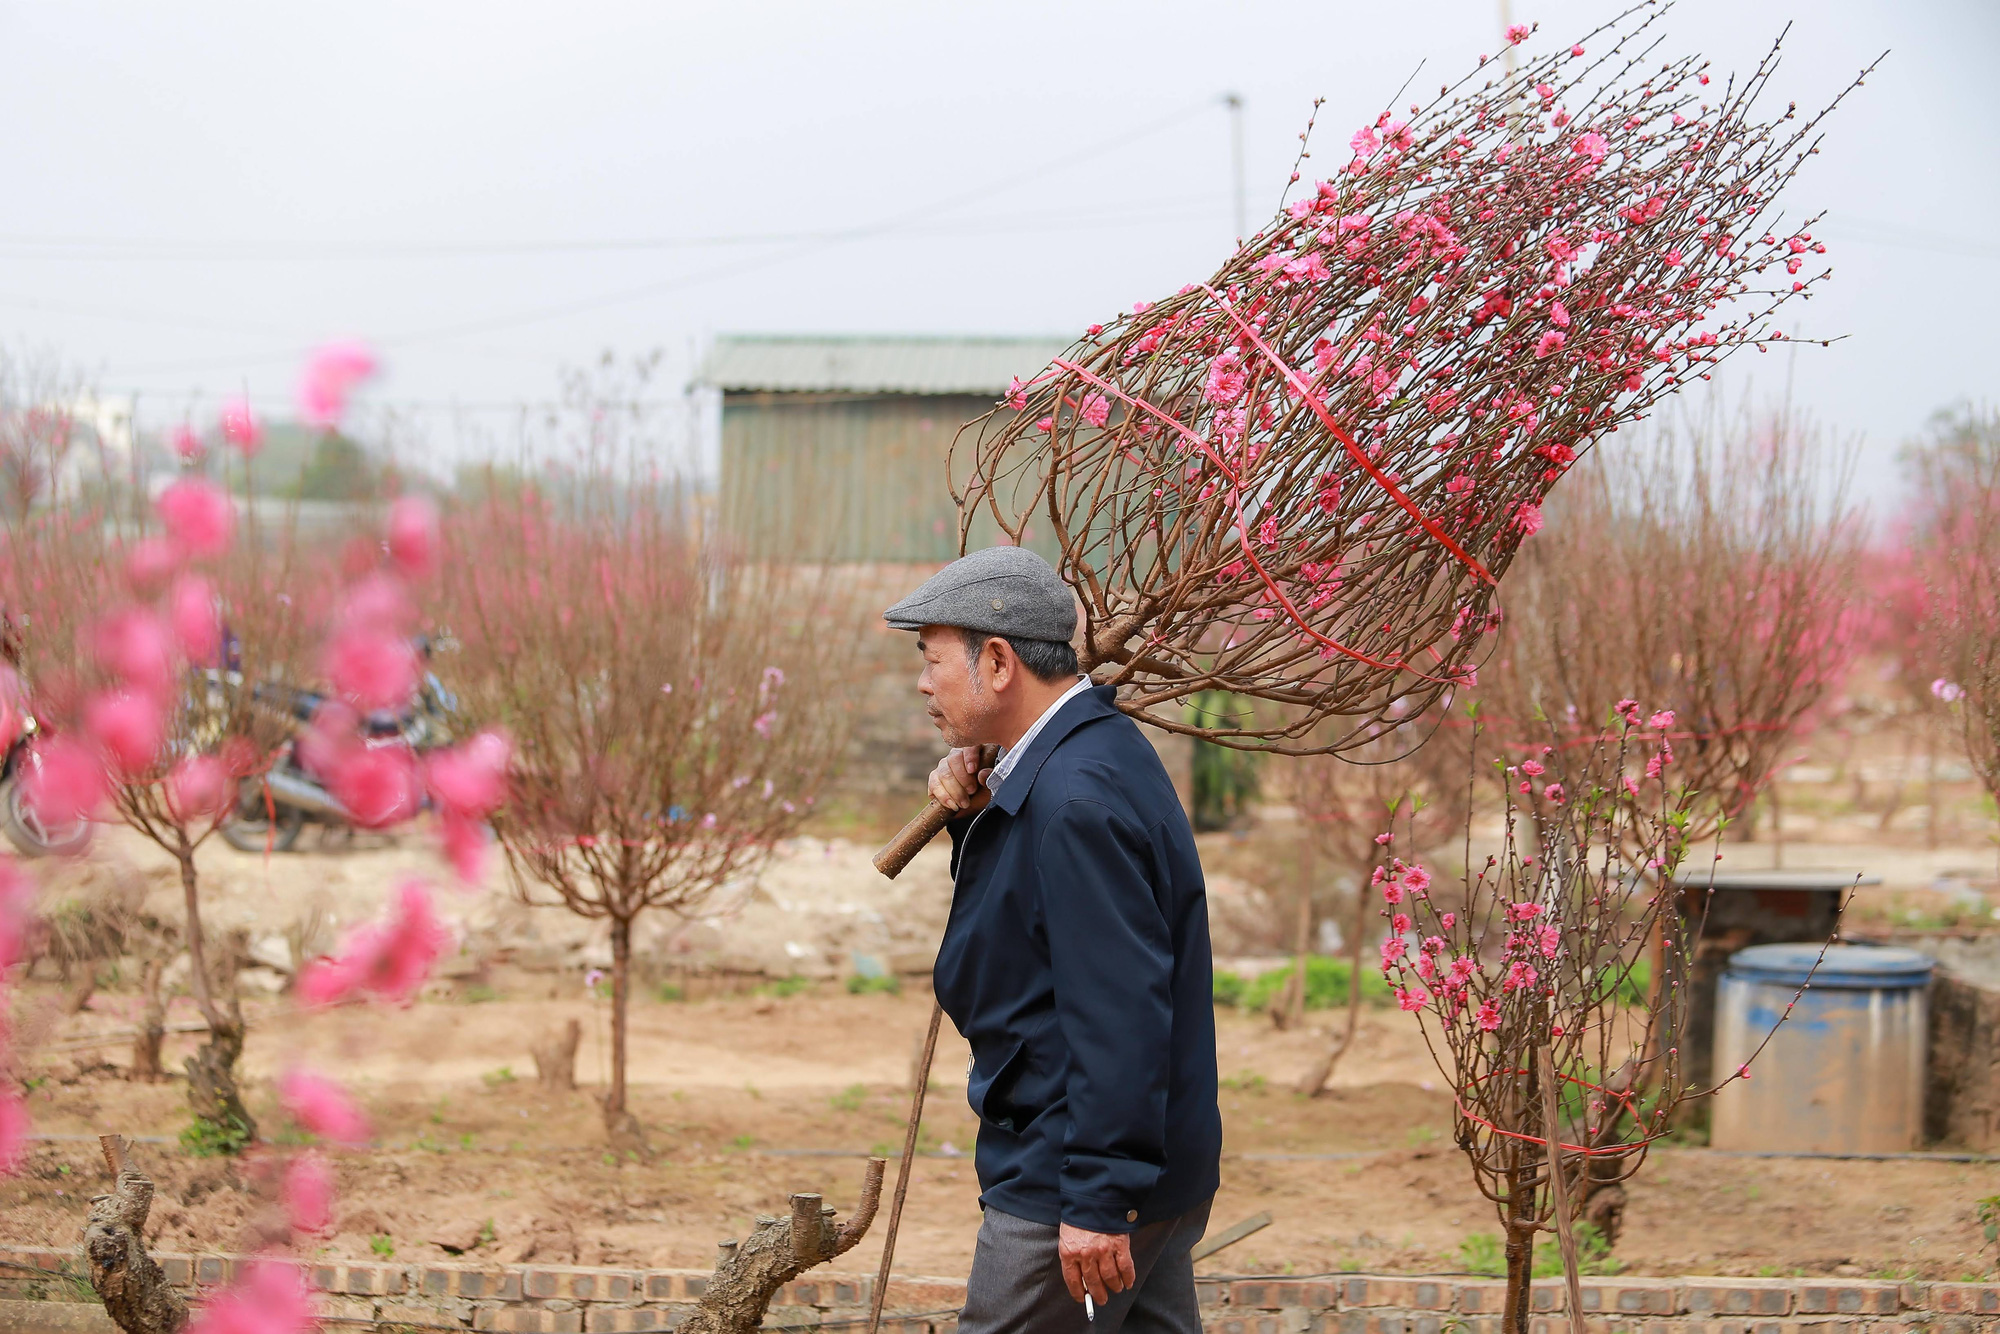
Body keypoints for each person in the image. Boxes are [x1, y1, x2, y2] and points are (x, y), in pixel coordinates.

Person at [883, 545, 1220, 1334]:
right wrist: (978, 810)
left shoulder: (1074, 798)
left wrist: (1099, 1196)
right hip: (1144, 1162)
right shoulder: (1086, 755)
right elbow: (1026, 933)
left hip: (1072, 1173)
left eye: (932, 660)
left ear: (998, 662)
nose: (924, 682)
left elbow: (1119, 1012)